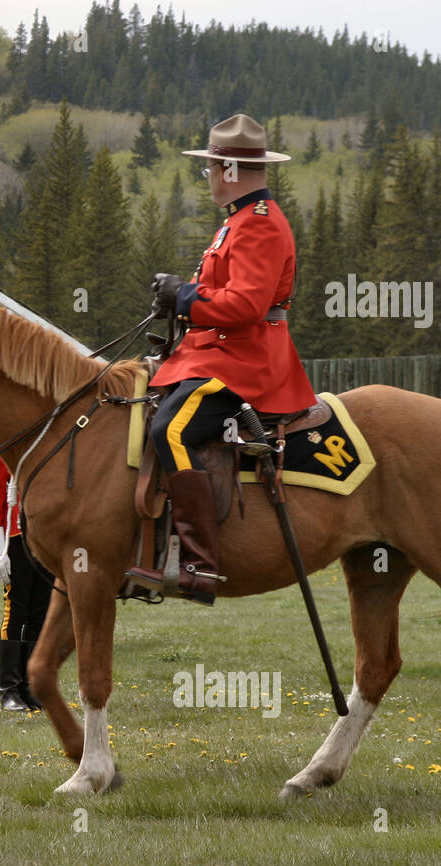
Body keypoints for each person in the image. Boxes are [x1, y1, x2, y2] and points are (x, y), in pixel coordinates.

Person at [127, 113, 317, 605]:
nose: (208, 175)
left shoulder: (259, 225)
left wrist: (185, 296)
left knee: (169, 428)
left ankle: (198, 563)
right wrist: (181, 296)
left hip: (245, 360)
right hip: (216, 351)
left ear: (230, 169)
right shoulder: (236, 221)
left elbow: (247, 307)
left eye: (211, 166)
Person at [0, 444, 50, 711]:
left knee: (40, 612)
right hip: (15, 535)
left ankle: (31, 688)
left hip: (45, 535)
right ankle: (9, 689)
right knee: (16, 609)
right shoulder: (2, 439)